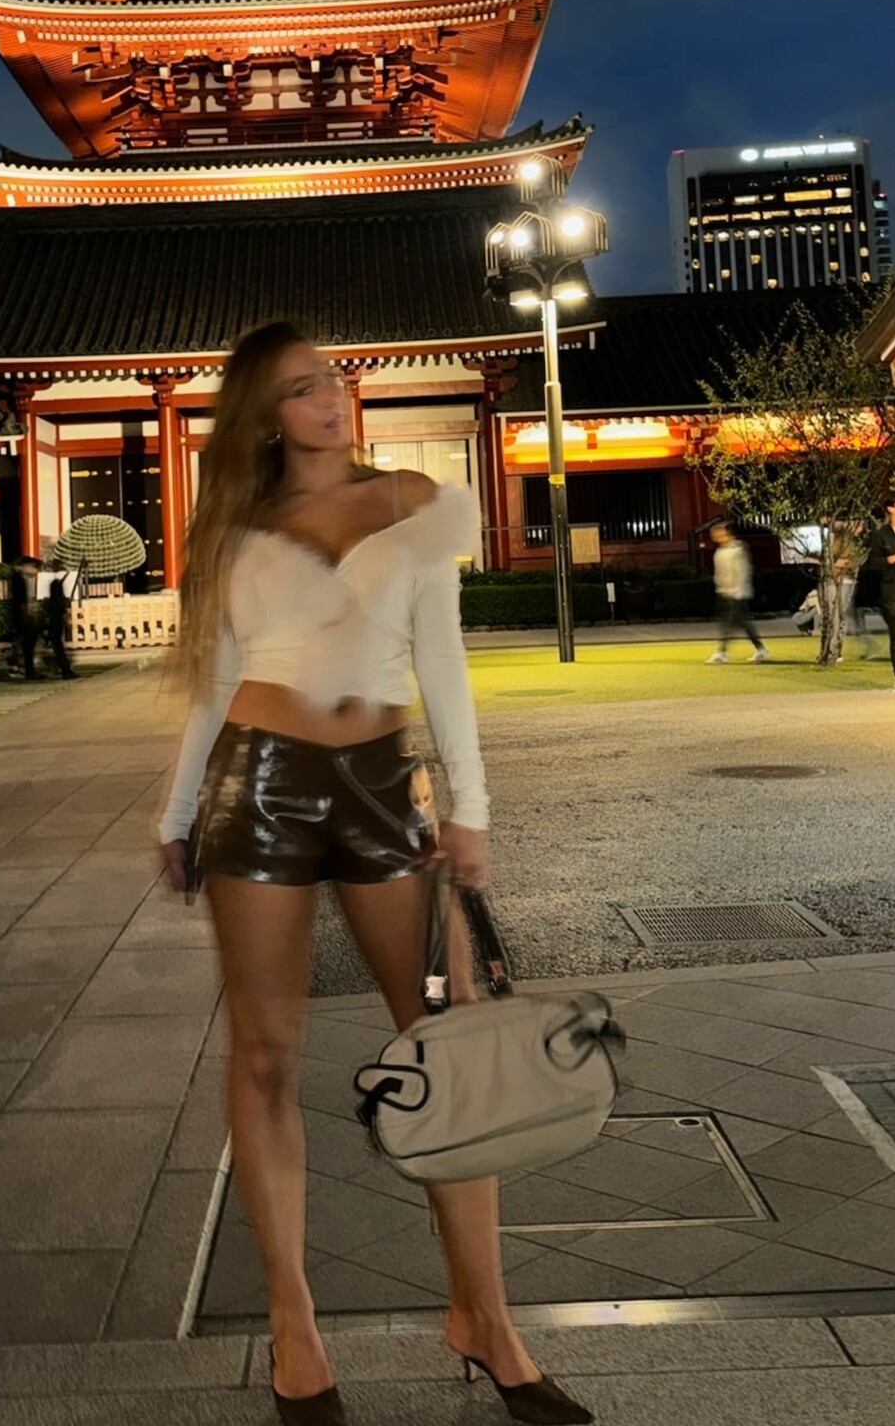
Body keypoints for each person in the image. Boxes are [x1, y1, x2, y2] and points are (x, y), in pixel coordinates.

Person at [158, 321, 592, 1426]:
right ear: (264, 415)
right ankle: (294, 1329)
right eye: (302, 388)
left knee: (446, 1044)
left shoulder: (410, 502)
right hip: (257, 783)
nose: (330, 398)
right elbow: (215, 683)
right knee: (265, 1053)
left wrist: (470, 808)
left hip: (384, 782)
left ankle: (485, 1318)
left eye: (334, 380)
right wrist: (177, 812)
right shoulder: (237, 527)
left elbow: (443, 659)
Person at [705, 522, 771, 664]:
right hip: (726, 593)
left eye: (718, 532)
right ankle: (761, 649)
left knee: (730, 622)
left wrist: (738, 590)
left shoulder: (738, 549)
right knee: (741, 623)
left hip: (738, 593)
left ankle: (721, 652)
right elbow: (720, 573)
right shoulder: (720, 551)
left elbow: (743, 571)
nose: (715, 536)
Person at [864, 494, 895, 686]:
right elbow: (872, 564)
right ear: (891, 509)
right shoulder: (881, 535)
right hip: (891, 593)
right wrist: (888, 560)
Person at [9, 554, 42, 681]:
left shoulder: (17, 578)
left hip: (19, 615)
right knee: (27, 644)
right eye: (35, 568)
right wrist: (26, 616)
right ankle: (26, 670)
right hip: (21, 616)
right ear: (27, 566)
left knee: (22, 644)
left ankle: (21, 669)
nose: (36, 572)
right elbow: (21, 601)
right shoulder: (20, 580)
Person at [44, 562, 75, 679]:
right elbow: (60, 604)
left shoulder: (54, 584)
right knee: (58, 646)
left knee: (57, 646)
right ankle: (65, 669)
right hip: (56, 619)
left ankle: (64, 669)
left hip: (54, 618)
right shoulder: (57, 585)